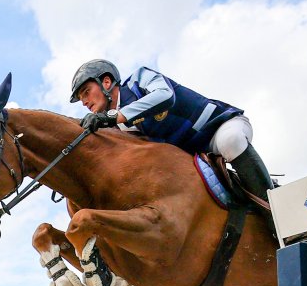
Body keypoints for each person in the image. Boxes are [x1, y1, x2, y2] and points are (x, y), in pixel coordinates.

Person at [69, 58, 272, 203]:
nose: (85, 102)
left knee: (231, 140)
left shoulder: (139, 79)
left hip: (216, 128)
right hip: (192, 159)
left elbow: (165, 96)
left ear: (106, 82)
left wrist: (113, 116)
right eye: (81, 98)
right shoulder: (114, 129)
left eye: (86, 92)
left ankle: (278, 214)